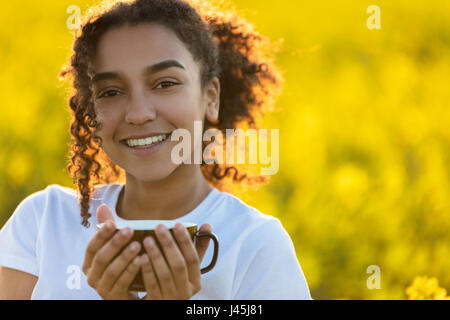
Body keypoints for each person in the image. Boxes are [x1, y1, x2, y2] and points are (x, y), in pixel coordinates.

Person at [0, 0, 311, 300]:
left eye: (165, 83)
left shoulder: (255, 244)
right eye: (111, 91)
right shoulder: (43, 220)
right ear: (91, 114)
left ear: (210, 97)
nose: (138, 113)